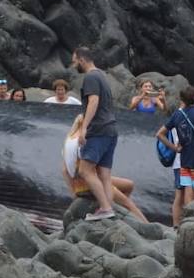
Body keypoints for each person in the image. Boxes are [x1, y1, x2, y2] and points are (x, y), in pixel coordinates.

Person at [61, 115, 147, 222]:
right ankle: (146, 225)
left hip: (78, 185)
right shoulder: (84, 140)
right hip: (89, 185)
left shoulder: (68, 140)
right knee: (128, 203)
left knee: (128, 185)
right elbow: (93, 170)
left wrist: (73, 192)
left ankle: (118, 211)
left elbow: (65, 171)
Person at [156, 86, 194, 225]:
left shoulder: (177, 115)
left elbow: (160, 133)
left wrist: (174, 148)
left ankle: (184, 222)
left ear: (181, 99)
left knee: (186, 191)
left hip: (183, 159)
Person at [72, 46, 119, 220]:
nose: (73, 64)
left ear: (81, 60)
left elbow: (93, 101)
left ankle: (105, 208)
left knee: (85, 170)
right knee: (104, 174)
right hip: (111, 128)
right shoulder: (101, 75)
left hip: (98, 130)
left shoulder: (90, 76)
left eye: (74, 61)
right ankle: (110, 209)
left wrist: (84, 128)